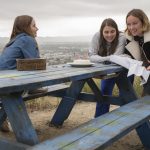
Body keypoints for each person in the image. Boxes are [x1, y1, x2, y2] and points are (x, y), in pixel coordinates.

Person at [0, 15, 46, 132]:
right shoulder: (27, 39)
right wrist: (35, 86)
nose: (37, 28)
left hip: (4, 79)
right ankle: (26, 131)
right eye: (34, 25)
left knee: (14, 95)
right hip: (8, 82)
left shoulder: (15, 40)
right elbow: (36, 65)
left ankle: (3, 119)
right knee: (14, 96)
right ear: (26, 27)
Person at [89, 18, 134, 118]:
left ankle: (125, 119)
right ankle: (100, 119)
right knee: (104, 92)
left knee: (126, 94)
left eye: (112, 31)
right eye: (106, 32)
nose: (109, 34)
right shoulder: (97, 36)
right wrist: (109, 58)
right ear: (102, 32)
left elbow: (117, 58)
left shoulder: (121, 36)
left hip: (124, 69)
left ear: (116, 30)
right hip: (108, 69)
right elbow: (91, 56)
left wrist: (102, 58)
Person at [125, 9, 150, 96]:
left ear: (143, 22)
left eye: (135, 23)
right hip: (146, 76)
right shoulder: (129, 39)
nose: (131, 27)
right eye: (129, 24)